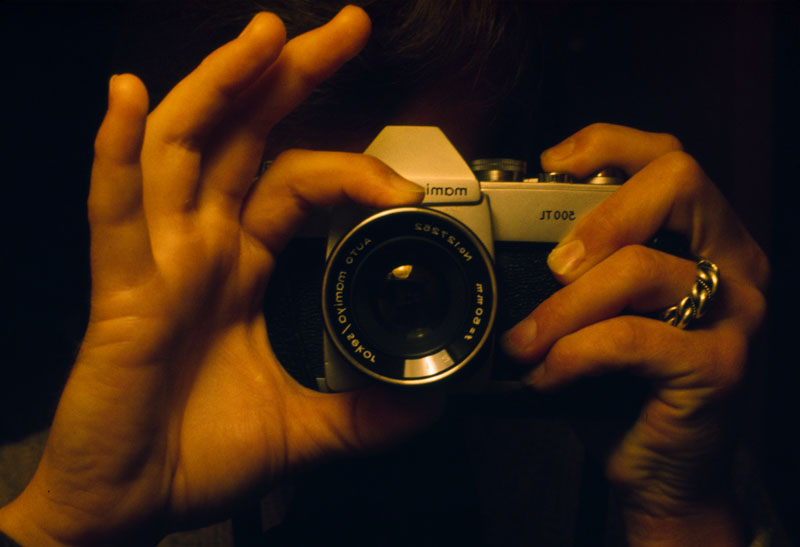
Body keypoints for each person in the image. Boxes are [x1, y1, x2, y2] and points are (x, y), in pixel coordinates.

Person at [0, 4, 769, 546]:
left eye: (432, 224)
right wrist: (70, 526)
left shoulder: (612, 451)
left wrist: (679, 515)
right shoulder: (36, 495)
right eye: (312, 232)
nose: (387, 284)